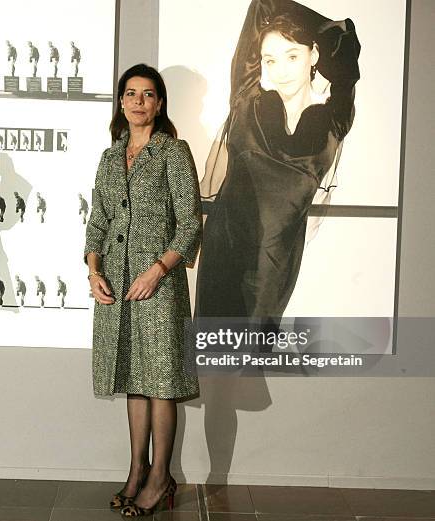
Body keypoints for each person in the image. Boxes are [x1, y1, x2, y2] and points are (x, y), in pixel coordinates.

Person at [195, 0, 360, 323]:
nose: (281, 71)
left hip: (274, 264)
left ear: (313, 56)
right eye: (271, 60)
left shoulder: (332, 121)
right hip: (224, 253)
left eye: (293, 56)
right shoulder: (248, 105)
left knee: (249, 364)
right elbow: (261, 5)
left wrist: (322, 30)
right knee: (213, 361)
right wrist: (286, 24)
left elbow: (346, 56)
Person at [84, 63, 201, 517]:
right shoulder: (110, 157)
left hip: (159, 284)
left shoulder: (174, 150)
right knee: (134, 378)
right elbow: (98, 219)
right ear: (120, 102)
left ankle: (160, 479)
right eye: (130, 94)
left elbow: (190, 223)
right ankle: (136, 470)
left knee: (161, 384)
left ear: (159, 103)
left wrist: (157, 270)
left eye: (147, 94)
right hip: (115, 282)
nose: (138, 102)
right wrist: (93, 269)